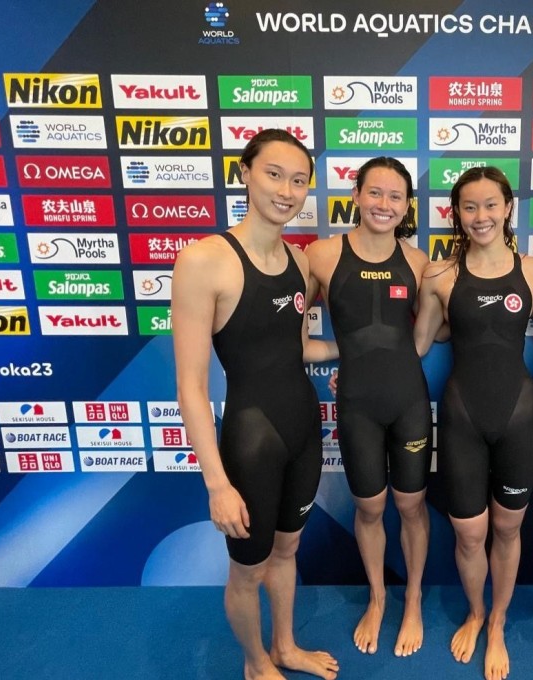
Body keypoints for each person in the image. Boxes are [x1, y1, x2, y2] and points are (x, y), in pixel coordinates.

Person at [172, 129, 340, 680]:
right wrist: (217, 484)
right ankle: (255, 662)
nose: (287, 191)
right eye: (274, 174)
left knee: (287, 552)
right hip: (251, 439)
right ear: (245, 172)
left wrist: (354, 350)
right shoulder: (204, 260)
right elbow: (191, 388)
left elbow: (297, 348)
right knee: (248, 570)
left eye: (298, 180)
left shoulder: (299, 261)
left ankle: (286, 646)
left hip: (303, 428)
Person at [414, 167, 533, 680]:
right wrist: (361, 372)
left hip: (520, 417)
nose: (481, 216)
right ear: (457, 213)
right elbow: (420, 345)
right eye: (469, 207)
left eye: (490, 204)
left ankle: (497, 623)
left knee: (507, 527)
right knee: (469, 534)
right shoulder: (440, 275)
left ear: (508, 206)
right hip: (462, 419)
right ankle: (475, 612)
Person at [304, 157, 432, 658]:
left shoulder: (420, 262)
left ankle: (415, 599)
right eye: (375, 193)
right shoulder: (320, 256)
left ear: (406, 206)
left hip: (409, 402)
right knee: (370, 507)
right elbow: (300, 343)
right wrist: (346, 353)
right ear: (355, 195)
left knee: (411, 505)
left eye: (395, 196)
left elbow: (431, 331)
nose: (384, 205)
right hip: (356, 404)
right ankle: (378, 599)